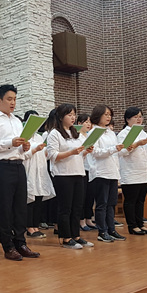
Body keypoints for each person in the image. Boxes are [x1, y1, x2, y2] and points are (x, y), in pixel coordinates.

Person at [0, 84, 40, 261]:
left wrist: (24, 147)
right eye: (9, 99)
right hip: (2, 166)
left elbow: (18, 147)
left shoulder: (16, 120)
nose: (13, 102)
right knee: (5, 207)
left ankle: (20, 243)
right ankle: (7, 246)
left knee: (20, 206)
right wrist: (10, 142)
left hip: (18, 165)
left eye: (14, 99)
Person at [46, 104, 94, 249]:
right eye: (69, 115)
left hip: (78, 173)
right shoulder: (55, 133)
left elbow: (79, 155)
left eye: (74, 114)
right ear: (61, 117)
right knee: (65, 208)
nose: (73, 117)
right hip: (63, 174)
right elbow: (52, 155)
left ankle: (76, 236)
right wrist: (71, 152)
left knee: (77, 207)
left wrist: (86, 151)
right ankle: (66, 237)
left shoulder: (76, 133)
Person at [87, 105, 125, 243]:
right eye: (106, 114)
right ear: (98, 116)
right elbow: (95, 152)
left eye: (110, 114)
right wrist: (113, 149)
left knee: (111, 203)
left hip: (112, 171)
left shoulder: (110, 133)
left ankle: (111, 230)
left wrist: (123, 149)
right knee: (102, 204)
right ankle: (102, 231)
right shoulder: (93, 132)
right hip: (100, 172)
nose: (109, 117)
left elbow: (115, 152)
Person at [117, 107, 147, 236]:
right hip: (131, 172)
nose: (139, 119)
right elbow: (122, 152)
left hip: (144, 172)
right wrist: (137, 144)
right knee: (131, 201)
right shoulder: (123, 134)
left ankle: (140, 224)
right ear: (127, 119)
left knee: (140, 200)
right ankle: (132, 226)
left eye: (140, 116)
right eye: (136, 117)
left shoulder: (143, 132)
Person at [23, 110, 53, 240]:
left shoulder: (40, 137)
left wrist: (46, 152)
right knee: (30, 199)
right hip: (29, 171)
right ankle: (29, 227)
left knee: (39, 199)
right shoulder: (24, 136)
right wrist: (35, 149)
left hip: (40, 171)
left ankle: (36, 225)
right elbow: (23, 155)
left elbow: (45, 155)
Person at [77, 113, 97, 231]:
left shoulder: (90, 136)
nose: (88, 124)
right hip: (82, 168)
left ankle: (89, 218)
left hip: (91, 168)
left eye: (90, 122)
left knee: (90, 195)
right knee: (82, 197)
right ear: (79, 123)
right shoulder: (77, 136)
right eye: (86, 122)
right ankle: (81, 220)